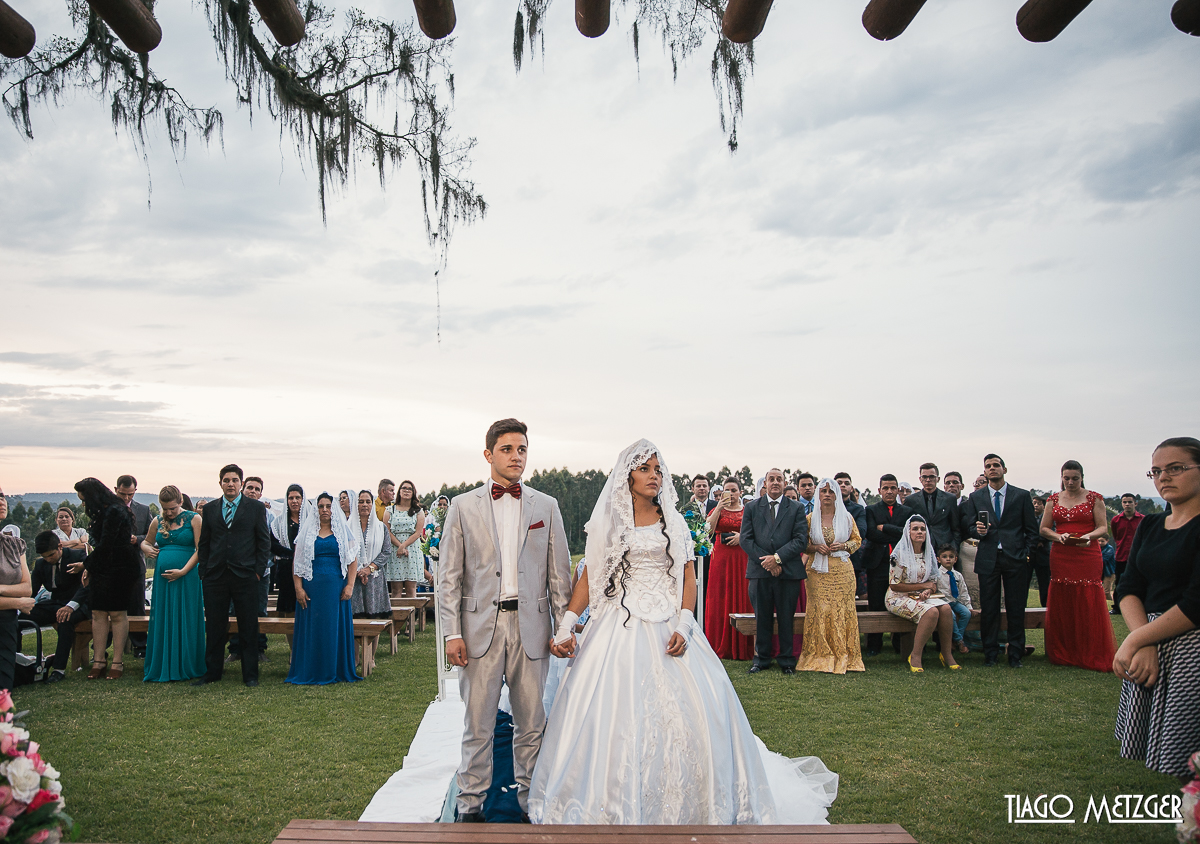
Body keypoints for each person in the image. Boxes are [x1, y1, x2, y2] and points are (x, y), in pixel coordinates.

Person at [530, 440, 837, 825]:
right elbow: (591, 578)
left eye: (658, 469)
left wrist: (686, 623)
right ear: (627, 475)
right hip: (616, 631)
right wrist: (567, 625)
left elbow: (687, 577)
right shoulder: (609, 524)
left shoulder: (672, 521)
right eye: (645, 469)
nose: (654, 476)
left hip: (669, 626)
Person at [439, 418, 572, 823]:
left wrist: (563, 627)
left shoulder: (546, 506)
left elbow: (559, 576)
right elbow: (449, 577)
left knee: (531, 726)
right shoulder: (462, 507)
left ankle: (531, 805)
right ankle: (470, 807)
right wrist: (451, 633)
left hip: (531, 630)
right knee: (477, 725)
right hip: (479, 632)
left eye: (522, 449)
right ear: (488, 455)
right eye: (507, 449)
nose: (516, 457)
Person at [1113, 436, 1200, 780]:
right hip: (1151, 638)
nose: (1164, 477)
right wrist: (1144, 640)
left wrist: (1135, 642)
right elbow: (1129, 587)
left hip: (1192, 645)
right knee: (1176, 762)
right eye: (1156, 471)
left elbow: (1196, 602)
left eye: (1176, 468)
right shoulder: (1149, 525)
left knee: (1190, 751)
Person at [194, 464, 271, 688]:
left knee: (248, 626)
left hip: (246, 576)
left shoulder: (256, 509)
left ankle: (250, 675)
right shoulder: (209, 510)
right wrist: (204, 572)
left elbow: (263, 542)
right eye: (226, 480)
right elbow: (205, 543)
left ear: (241, 483)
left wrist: (257, 571)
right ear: (220, 483)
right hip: (215, 576)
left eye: (235, 480)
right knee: (216, 627)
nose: (230, 484)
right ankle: (212, 673)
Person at [960, 454, 1039, 668]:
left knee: (1016, 608)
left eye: (996, 465)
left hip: (1015, 558)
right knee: (989, 608)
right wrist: (977, 531)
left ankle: (1015, 654)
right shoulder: (976, 498)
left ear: (1004, 469)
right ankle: (990, 654)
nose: (992, 469)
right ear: (984, 472)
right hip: (988, 558)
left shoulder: (1021, 496)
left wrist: (1027, 555)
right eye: (988, 466)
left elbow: (1032, 530)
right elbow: (968, 528)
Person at [1038, 460, 1117, 673]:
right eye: (1066, 478)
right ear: (1061, 478)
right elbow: (1044, 529)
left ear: (1082, 477)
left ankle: (1090, 650)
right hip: (1061, 553)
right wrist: (1058, 536)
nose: (1070, 482)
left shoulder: (1094, 498)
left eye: (1075, 478)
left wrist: (1087, 537)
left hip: (1087, 552)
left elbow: (1103, 528)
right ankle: (1065, 651)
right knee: (1063, 596)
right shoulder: (1053, 499)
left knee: (1088, 597)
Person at [740, 468, 809, 675]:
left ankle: (787, 660)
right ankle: (761, 659)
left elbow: (800, 539)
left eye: (780, 479)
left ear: (785, 482)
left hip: (788, 571)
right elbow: (745, 539)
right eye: (772, 479)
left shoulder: (796, 508)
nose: (776, 482)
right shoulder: (752, 507)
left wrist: (777, 559)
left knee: (786, 617)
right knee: (762, 616)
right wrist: (767, 562)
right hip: (760, 572)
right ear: (765, 484)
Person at [286, 492, 360, 685]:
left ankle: (335, 668)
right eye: (321, 506)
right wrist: (298, 588)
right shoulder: (307, 532)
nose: (325, 510)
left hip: (336, 588)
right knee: (314, 628)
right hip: (312, 587)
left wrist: (350, 585)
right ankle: (311, 669)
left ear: (333, 508)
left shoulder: (343, 532)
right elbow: (298, 562)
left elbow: (352, 560)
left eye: (328, 506)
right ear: (316, 509)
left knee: (332, 627)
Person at [75, 477, 142, 680]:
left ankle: (117, 662)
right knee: (97, 612)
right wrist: (92, 567)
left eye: (84, 499)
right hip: (102, 565)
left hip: (120, 567)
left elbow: (107, 543)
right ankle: (99, 661)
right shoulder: (101, 511)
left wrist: (85, 564)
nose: (84, 504)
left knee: (117, 613)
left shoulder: (115, 510)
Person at [797, 479, 864, 674]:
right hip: (817, 571)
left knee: (842, 611)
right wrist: (816, 547)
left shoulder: (846, 517)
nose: (827, 494)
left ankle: (844, 654)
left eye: (831, 491)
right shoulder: (810, 518)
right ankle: (820, 654)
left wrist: (843, 546)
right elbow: (803, 544)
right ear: (818, 494)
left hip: (842, 571)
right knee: (820, 610)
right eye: (823, 491)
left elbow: (857, 541)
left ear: (837, 495)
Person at [140, 486, 205, 682]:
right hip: (163, 580)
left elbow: (201, 549)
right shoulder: (157, 520)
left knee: (186, 616)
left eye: (172, 509)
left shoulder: (195, 519)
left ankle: (186, 662)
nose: (168, 513)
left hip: (187, 576)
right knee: (164, 617)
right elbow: (147, 541)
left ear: (180, 503)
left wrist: (184, 571)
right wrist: (145, 548)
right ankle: (164, 663)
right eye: (165, 509)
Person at [885, 516, 959, 672]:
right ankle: (916, 655)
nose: (919, 532)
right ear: (908, 532)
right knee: (931, 612)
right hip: (897, 597)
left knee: (945, 609)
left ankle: (946, 654)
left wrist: (927, 590)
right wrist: (922, 586)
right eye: (915, 529)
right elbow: (894, 585)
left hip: (921, 596)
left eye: (922, 529)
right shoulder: (898, 555)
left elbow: (932, 582)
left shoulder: (929, 554)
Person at [862, 475, 913, 656]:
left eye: (893, 488)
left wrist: (885, 527)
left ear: (898, 490)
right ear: (880, 490)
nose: (889, 491)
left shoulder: (907, 511)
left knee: (901, 602)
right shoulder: (871, 510)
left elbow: (907, 534)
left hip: (901, 564)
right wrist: (895, 532)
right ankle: (874, 645)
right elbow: (871, 533)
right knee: (876, 604)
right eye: (886, 488)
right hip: (878, 564)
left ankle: (900, 643)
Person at [702, 478, 753, 659]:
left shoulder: (747, 511)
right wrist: (719, 508)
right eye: (727, 490)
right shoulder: (717, 509)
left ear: (740, 492)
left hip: (742, 556)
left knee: (743, 594)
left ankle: (743, 644)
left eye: (734, 490)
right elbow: (707, 530)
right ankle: (718, 643)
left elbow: (754, 533)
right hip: (721, 557)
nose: (731, 494)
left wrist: (742, 537)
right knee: (720, 595)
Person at [27, 532, 87, 682]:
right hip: (55, 603)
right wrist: (20, 605)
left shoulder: (78, 556)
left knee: (65, 620)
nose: (48, 559)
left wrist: (70, 606)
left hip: (79, 604)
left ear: (60, 546)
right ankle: (15, 661)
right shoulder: (41, 564)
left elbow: (86, 587)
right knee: (20, 617)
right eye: (44, 556)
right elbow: (32, 590)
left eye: (51, 555)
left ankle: (58, 670)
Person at [229, 476, 270, 664]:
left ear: (261, 494)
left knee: (259, 611)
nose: (253, 491)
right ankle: (236, 649)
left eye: (257, 489)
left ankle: (258, 649)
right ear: (242, 489)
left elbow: (269, 544)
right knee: (234, 610)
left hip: (261, 572)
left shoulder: (269, 515)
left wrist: (260, 569)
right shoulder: (233, 512)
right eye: (249, 488)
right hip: (235, 571)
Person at [0, 488, 33, 691]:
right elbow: (22, 597)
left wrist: (1, 589)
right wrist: (17, 602)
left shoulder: (14, 544)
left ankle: (4, 716)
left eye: (1, 496)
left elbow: (27, 588)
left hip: (7, 619)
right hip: (12, 607)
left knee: (5, 670)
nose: (1, 501)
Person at [115, 475, 151, 659]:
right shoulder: (108, 509)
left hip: (136, 564)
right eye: (123, 494)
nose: (127, 498)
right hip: (113, 565)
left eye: (130, 494)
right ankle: (107, 645)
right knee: (112, 605)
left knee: (136, 605)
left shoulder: (144, 511)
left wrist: (137, 539)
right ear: (116, 490)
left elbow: (151, 536)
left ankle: (140, 645)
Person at [902, 463, 962, 555]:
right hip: (920, 547)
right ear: (920, 479)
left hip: (944, 548)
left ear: (938, 479)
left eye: (931, 477)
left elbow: (955, 527)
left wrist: (954, 548)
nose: (928, 480)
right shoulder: (911, 500)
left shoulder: (949, 499)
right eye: (924, 477)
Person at [271, 484, 311, 617]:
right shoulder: (279, 522)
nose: (294, 501)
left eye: (297, 498)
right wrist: (293, 554)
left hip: (308, 568)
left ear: (303, 499)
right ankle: (291, 638)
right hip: (286, 569)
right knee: (289, 610)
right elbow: (272, 544)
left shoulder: (311, 521)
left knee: (307, 606)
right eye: (291, 498)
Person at [350, 490, 391, 619]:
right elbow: (344, 551)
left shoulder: (381, 527)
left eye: (368, 502)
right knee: (355, 618)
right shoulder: (347, 527)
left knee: (375, 618)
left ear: (372, 505)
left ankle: (374, 641)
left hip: (375, 577)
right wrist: (357, 570)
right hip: (353, 577)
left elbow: (386, 551)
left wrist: (369, 568)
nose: (364, 505)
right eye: (361, 501)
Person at [385, 480, 425, 599]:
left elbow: (418, 533)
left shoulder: (418, 511)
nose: (406, 491)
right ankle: (396, 617)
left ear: (413, 493)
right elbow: (387, 531)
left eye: (409, 489)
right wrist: (399, 546)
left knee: (411, 588)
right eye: (404, 488)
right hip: (395, 550)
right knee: (396, 589)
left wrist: (404, 546)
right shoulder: (389, 510)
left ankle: (411, 617)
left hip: (411, 549)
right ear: (399, 492)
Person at [935, 545, 976, 654]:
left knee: (966, 613)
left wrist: (969, 606)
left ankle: (955, 639)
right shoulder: (936, 575)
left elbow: (963, 592)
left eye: (951, 556)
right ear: (938, 559)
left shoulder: (958, 575)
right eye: (944, 556)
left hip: (954, 602)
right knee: (951, 616)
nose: (948, 559)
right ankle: (959, 641)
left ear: (955, 559)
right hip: (943, 603)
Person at [1111, 493, 1146, 614]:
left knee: (1140, 582)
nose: (1127, 504)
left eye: (1130, 502)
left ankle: (1142, 607)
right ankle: (1117, 607)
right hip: (1121, 556)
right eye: (1124, 502)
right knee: (1119, 583)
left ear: (1135, 503)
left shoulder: (1143, 519)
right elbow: (1116, 537)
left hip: (1138, 557)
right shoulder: (1116, 520)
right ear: (1122, 504)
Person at [1029, 496, 1053, 607]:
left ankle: (1046, 606)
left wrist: (1041, 540)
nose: (1036, 505)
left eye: (1039, 503)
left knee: (1045, 583)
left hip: (1043, 555)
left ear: (1044, 506)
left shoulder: (1048, 518)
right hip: (1028, 554)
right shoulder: (1028, 517)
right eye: (1034, 503)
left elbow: (1051, 531)